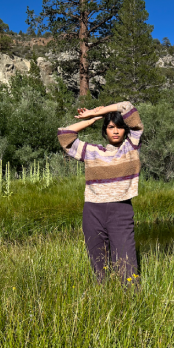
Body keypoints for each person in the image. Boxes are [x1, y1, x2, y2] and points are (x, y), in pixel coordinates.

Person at [57, 101, 143, 286]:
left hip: (121, 211)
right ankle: (103, 304)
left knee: (127, 266)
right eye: (111, 127)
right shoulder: (92, 152)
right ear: (105, 131)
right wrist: (90, 120)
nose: (116, 131)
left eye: (120, 127)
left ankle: (133, 306)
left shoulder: (131, 147)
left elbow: (127, 106)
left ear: (126, 130)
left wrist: (101, 111)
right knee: (99, 267)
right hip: (93, 212)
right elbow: (64, 135)